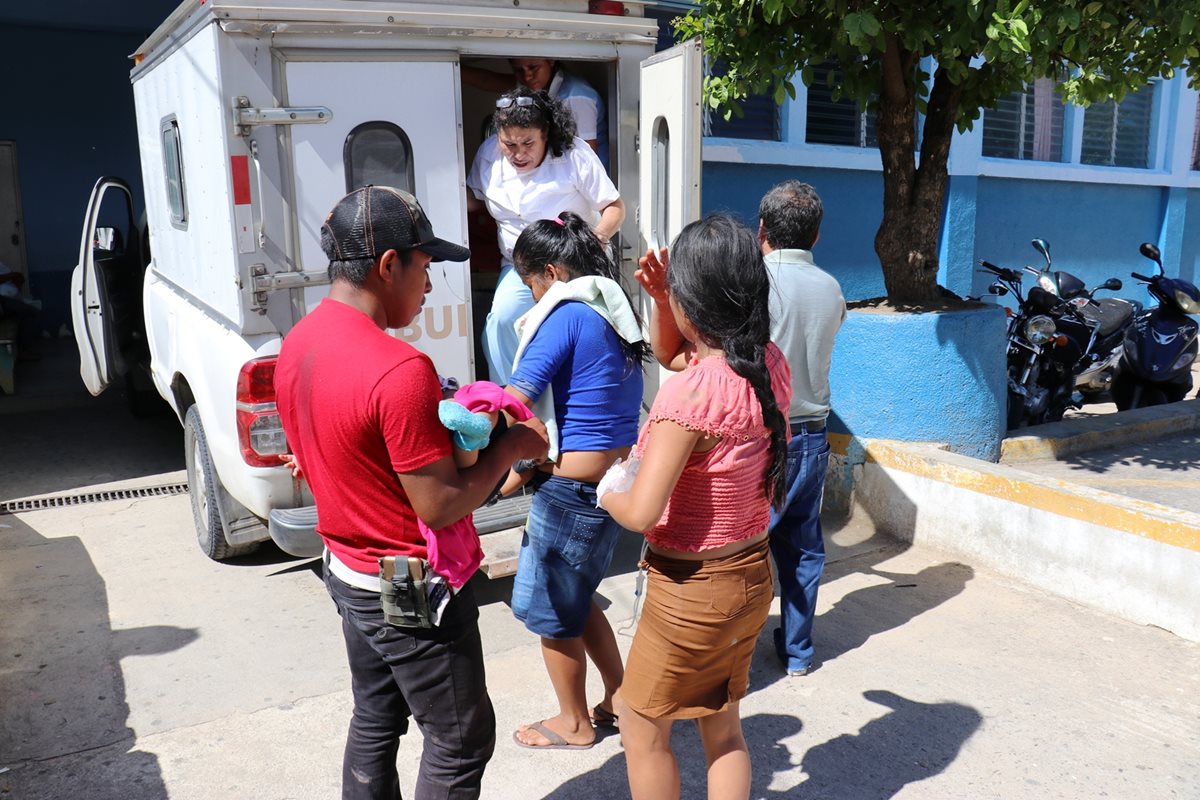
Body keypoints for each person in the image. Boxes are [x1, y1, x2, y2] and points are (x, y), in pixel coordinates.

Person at [274, 185, 549, 800]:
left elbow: (332, 450)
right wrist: (511, 447)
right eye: (425, 267)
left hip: (345, 568)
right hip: (405, 589)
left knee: (376, 716)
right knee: (460, 741)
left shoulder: (298, 342)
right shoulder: (399, 370)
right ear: (388, 265)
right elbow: (440, 503)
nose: (429, 286)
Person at [598, 214, 792, 799]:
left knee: (638, 720)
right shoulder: (766, 364)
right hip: (752, 574)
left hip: (694, 590)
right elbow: (675, 355)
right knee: (722, 720)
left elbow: (640, 512)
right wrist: (663, 300)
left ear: (693, 305)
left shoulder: (692, 391)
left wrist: (609, 487)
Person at [502, 211, 650, 749]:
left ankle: (574, 723)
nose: (530, 297)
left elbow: (514, 398)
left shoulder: (565, 315)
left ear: (551, 272)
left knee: (554, 616)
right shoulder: (612, 312)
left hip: (569, 495)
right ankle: (619, 696)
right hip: (608, 487)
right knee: (580, 599)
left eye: (529, 284)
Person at [466, 86, 624, 385]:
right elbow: (472, 199)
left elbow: (615, 207)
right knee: (501, 321)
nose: (518, 153)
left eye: (528, 143)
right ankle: (515, 400)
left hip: (575, 265)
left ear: (546, 134)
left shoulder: (575, 154)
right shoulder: (488, 155)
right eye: (508, 144)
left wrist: (597, 238)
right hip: (520, 266)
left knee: (580, 332)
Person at [757, 180, 846, 677]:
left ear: (762, 229)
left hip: (763, 437)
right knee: (802, 546)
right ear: (816, 236)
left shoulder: (754, 281)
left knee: (746, 546)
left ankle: (731, 655)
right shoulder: (830, 287)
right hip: (812, 433)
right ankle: (798, 652)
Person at [462, 58, 608, 165]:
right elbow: (486, 80)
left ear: (551, 61)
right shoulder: (532, 83)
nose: (527, 76)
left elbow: (587, 159)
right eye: (519, 70)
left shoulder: (576, 98)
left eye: (533, 67)